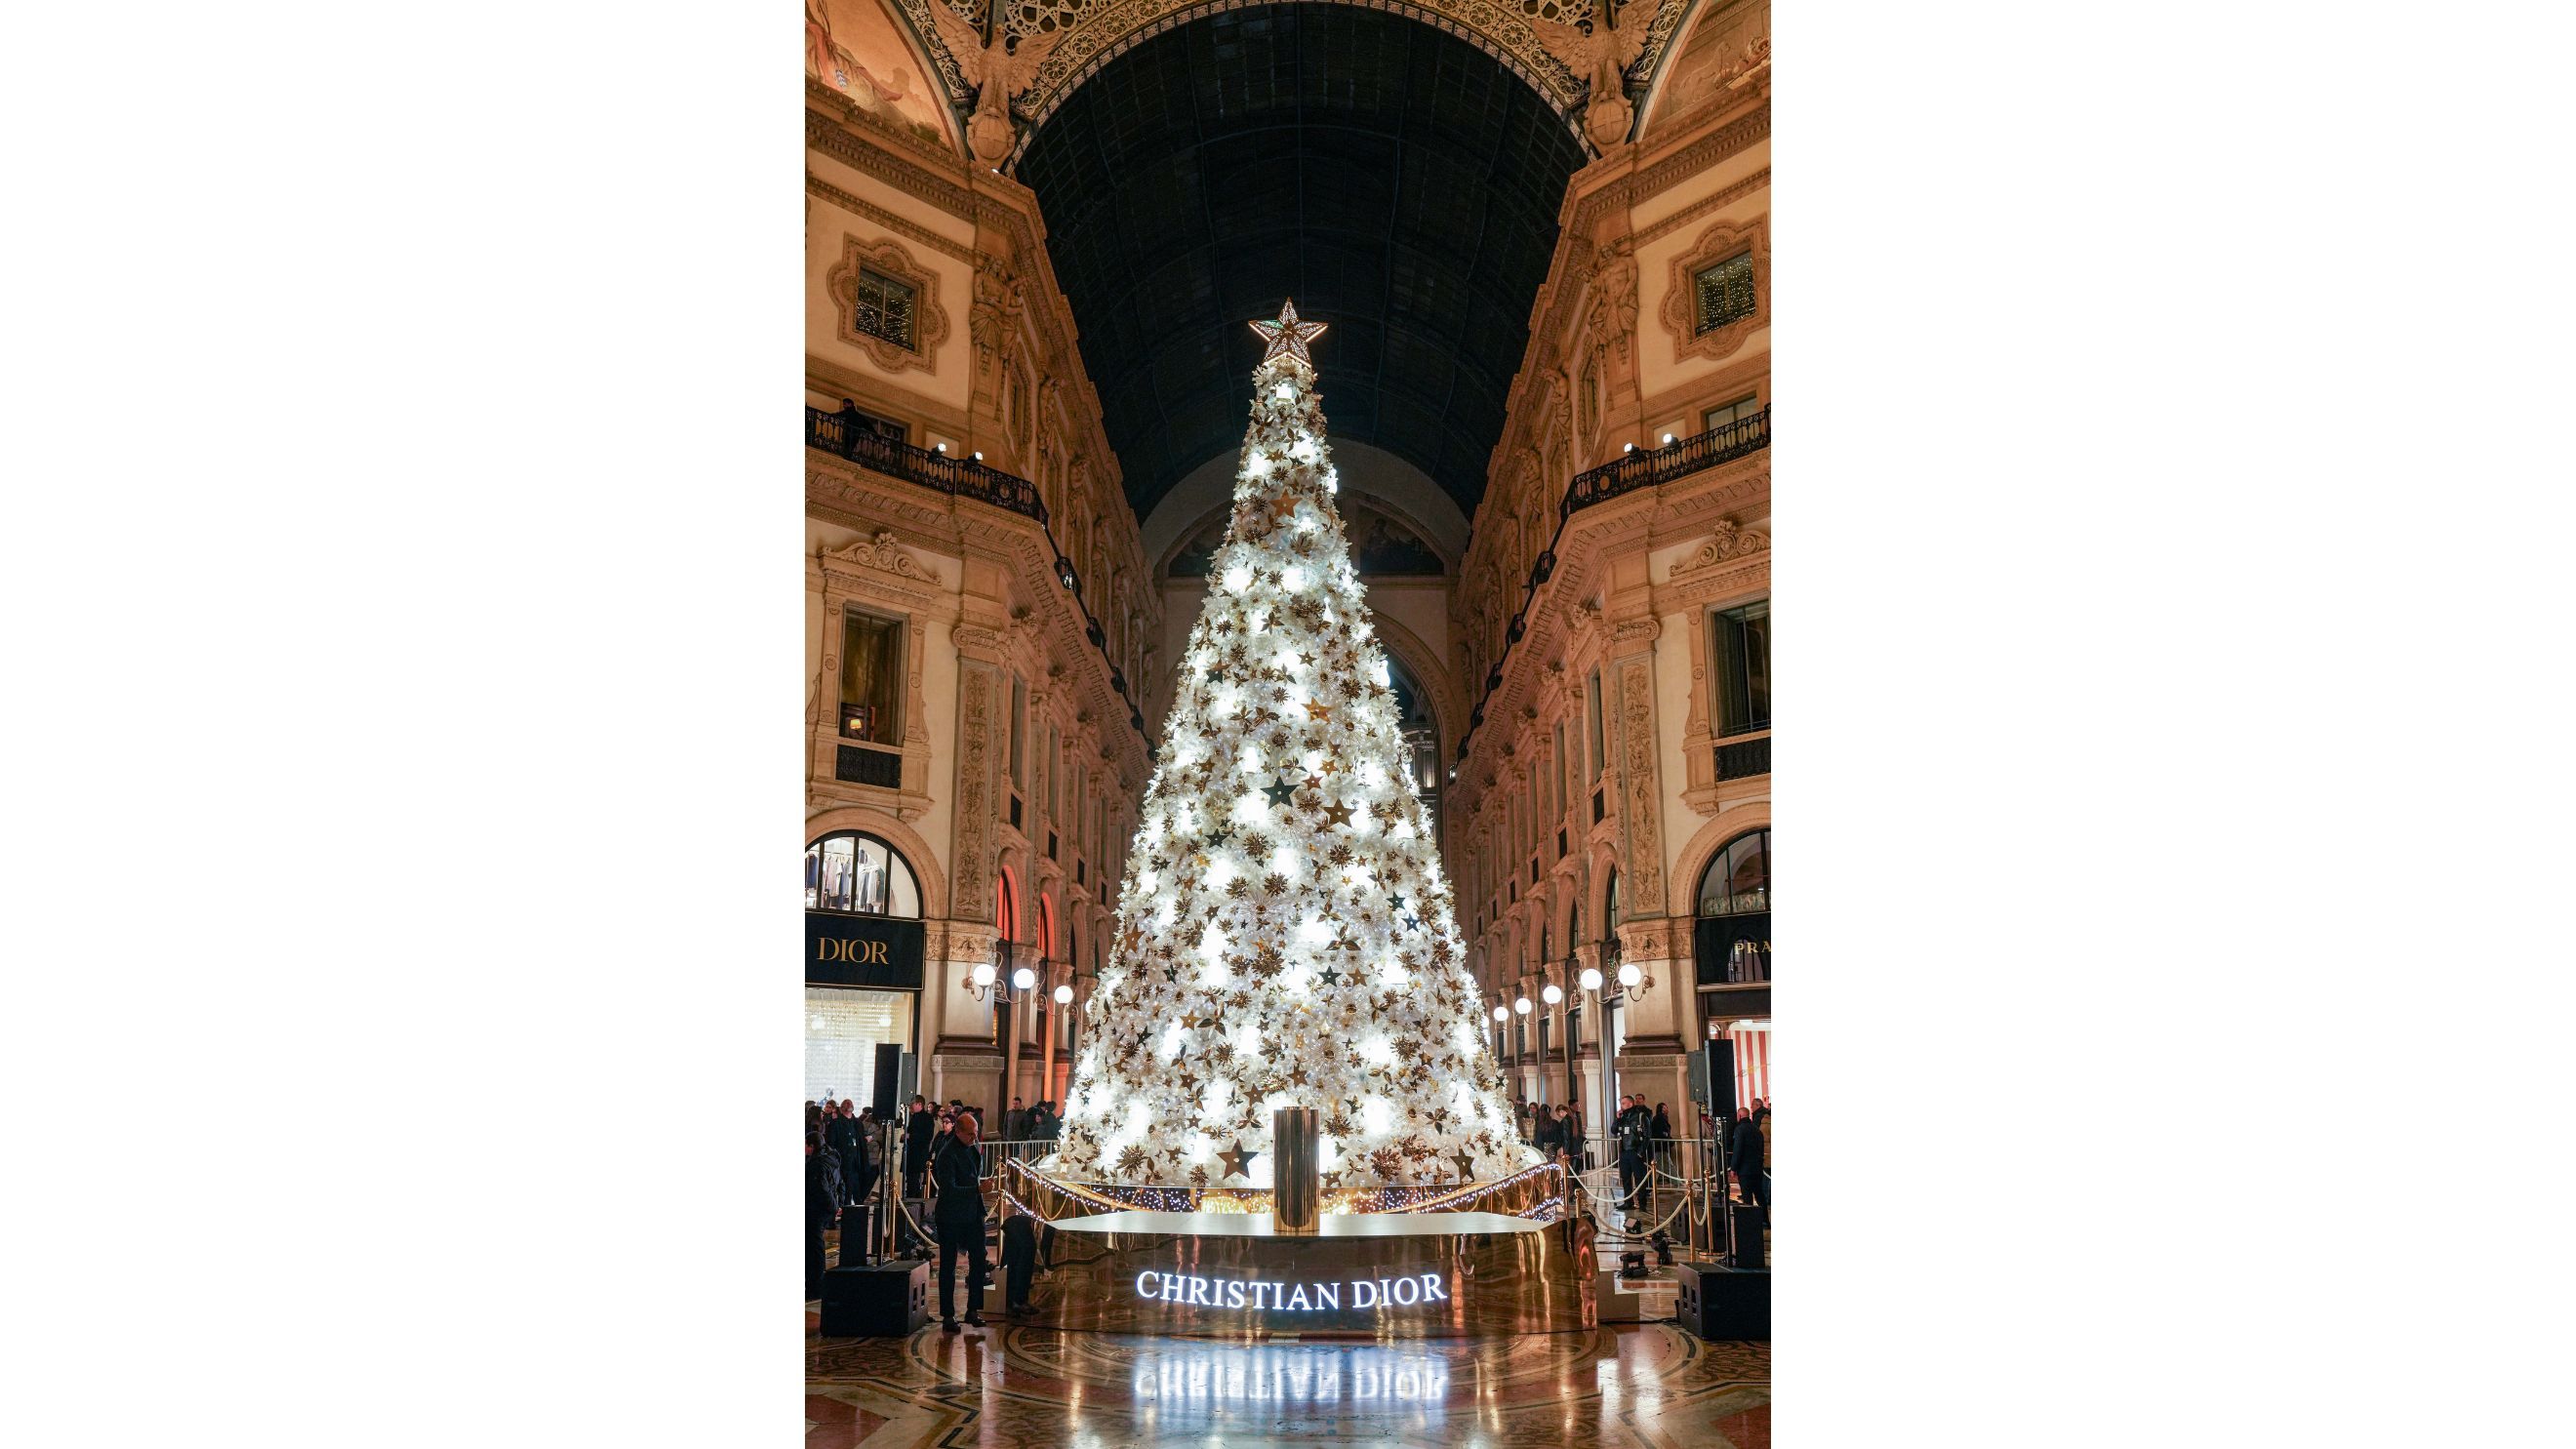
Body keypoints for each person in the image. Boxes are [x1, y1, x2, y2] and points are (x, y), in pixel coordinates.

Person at [931, 1108, 990, 1330]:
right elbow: (949, 1189)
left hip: (973, 1214)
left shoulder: (973, 1150)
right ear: (958, 1132)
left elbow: (974, 1177)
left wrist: (978, 1190)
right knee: (948, 1264)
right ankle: (948, 1315)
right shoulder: (947, 1154)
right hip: (950, 1216)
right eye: (970, 1134)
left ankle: (973, 1309)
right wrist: (977, 1189)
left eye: (975, 1133)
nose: (974, 1138)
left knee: (979, 1261)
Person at [804, 1130, 840, 1300]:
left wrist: (833, 1206)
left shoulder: (816, 1165)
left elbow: (822, 1189)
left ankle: (815, 1287)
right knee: (814, 1247)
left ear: (811, 1146)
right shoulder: (831, 1158)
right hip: (824, 1210)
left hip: (815, 1210)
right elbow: (840, 1183)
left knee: (814, 1249)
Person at [1728, 1107, 1769, 1219]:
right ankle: (1765, 1221)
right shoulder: (1757, 1129)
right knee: (1760, 1195)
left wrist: (1733, 1167)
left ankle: (1749, 1222)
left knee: (1747, 1197)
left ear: (1740, 1116)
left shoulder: (1740, 1129)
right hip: (1757, 1168)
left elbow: (1738, 1149)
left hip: (1745, 1170)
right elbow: (1761, 1149)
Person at [903, 1095, 935, 1198]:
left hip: (919, 1153)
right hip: (910, 1152)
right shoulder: (913, 1116)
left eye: (913, 1104)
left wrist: (910, 1136)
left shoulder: (927, 1118)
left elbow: (927, 1136)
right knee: (911, 1179)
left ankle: (914, 1201)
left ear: (920, 1104)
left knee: (915, 1180)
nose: (911, 1106)